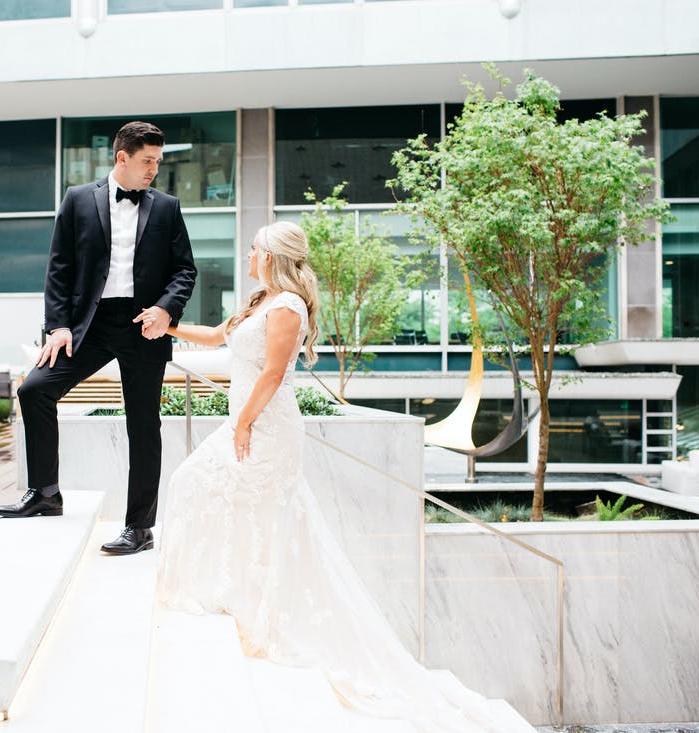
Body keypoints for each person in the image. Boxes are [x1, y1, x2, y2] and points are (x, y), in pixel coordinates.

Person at [156, 221, 533, 731]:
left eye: (253, 249)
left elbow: (271, 373)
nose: (247, 254)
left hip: (266, 427)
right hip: (245, 422)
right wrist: (169, 327)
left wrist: (243, 422)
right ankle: (240, 601)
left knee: (251, 509)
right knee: (202, 488)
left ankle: (256, 614)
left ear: (270, 256)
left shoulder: (287, 307)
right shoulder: (260, 301)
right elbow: (218, 339)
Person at [0, 121, 197, 557]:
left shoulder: (167, 207)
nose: (153, 171)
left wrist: (165, 309)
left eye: (158, 163)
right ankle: (46, 492)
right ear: (121, 157)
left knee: (143, 425)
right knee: (34, 390)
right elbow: (59, 268)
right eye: (147, 161)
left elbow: (185, 270)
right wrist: (59, 326)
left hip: (144, 325)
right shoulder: (77, 200)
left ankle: (140, 528)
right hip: (88, 323)